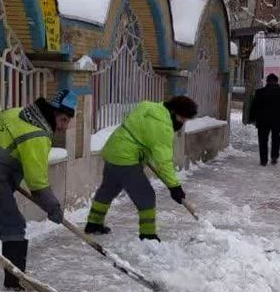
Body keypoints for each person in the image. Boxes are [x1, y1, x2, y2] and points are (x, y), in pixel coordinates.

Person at [0, 90, 77, 290]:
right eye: (64, 120)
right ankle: (15, 285)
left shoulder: (17, 113)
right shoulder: (38, 134)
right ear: (53, 113)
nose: (64, 128)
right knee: (13, 227)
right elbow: (37, 182)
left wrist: (9, 177)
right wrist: (53, 208)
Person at [85, 96, 198, 241]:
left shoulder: (149, 107)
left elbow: (140, 132)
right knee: (146, 195)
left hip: (113, 150)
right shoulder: (162, 127)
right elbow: (163, 162)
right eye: (183, 119)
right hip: (126, 159)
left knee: (108, 189)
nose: (182, 123)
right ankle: (148, 235)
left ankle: (93, 223)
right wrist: (174, 187)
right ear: (174, 113)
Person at [248, 73, 280, 166]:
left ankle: (263, 160)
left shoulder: (260, 92)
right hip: (277, 121)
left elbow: (254, 106)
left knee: (263, 140)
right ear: (276, 81)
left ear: (267, 81)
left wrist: (251, 118)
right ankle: (274, 156)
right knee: (276, 138)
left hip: (262, 121)